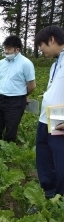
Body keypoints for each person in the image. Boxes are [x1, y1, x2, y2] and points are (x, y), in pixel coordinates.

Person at [35, 25, 64, 200]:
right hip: (48, 116)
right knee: (44, 158)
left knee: (60, 160)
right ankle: (49, 193)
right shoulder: (56, 64)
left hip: (60, 117)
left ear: (51, 39)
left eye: (41, 45)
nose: (40, 49)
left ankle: (60, 199)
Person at [0, 35, 36, 142]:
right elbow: (1, 79)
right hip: (1, 98)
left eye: (9, 49)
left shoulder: (26, 63)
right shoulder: (1, 63)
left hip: (16, 101)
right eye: (5, 48)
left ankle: (8, 150)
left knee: (11, 127)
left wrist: (23, 95)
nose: (6, 51)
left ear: (17, 49)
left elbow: (32, 85)